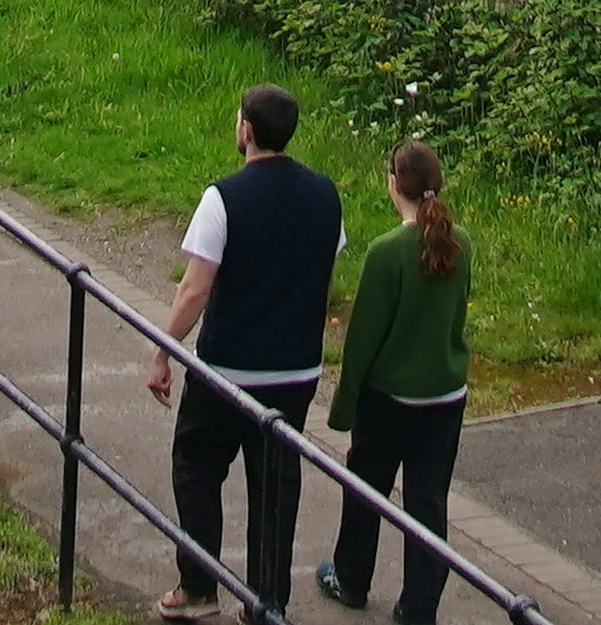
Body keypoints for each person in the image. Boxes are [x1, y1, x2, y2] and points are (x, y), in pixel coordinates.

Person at [142, 81, 341, 621]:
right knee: (276, 486)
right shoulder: (326, 195)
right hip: (297, 371)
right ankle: (267, 601)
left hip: (229, 370)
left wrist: (164, 350)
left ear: (246, 130)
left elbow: (195, 288)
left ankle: (199, 585)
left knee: (197, 465)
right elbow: (323, 270)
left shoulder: (223, 198)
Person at [315, 141, 471, 620]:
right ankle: (418, 607)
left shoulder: (385, 253)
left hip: (390, 399)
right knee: (428, 504)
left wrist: (342, 408)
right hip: (446, 394)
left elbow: (362, 340)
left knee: (366, 491)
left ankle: (352, 578)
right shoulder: (461, 243)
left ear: (392, 184)